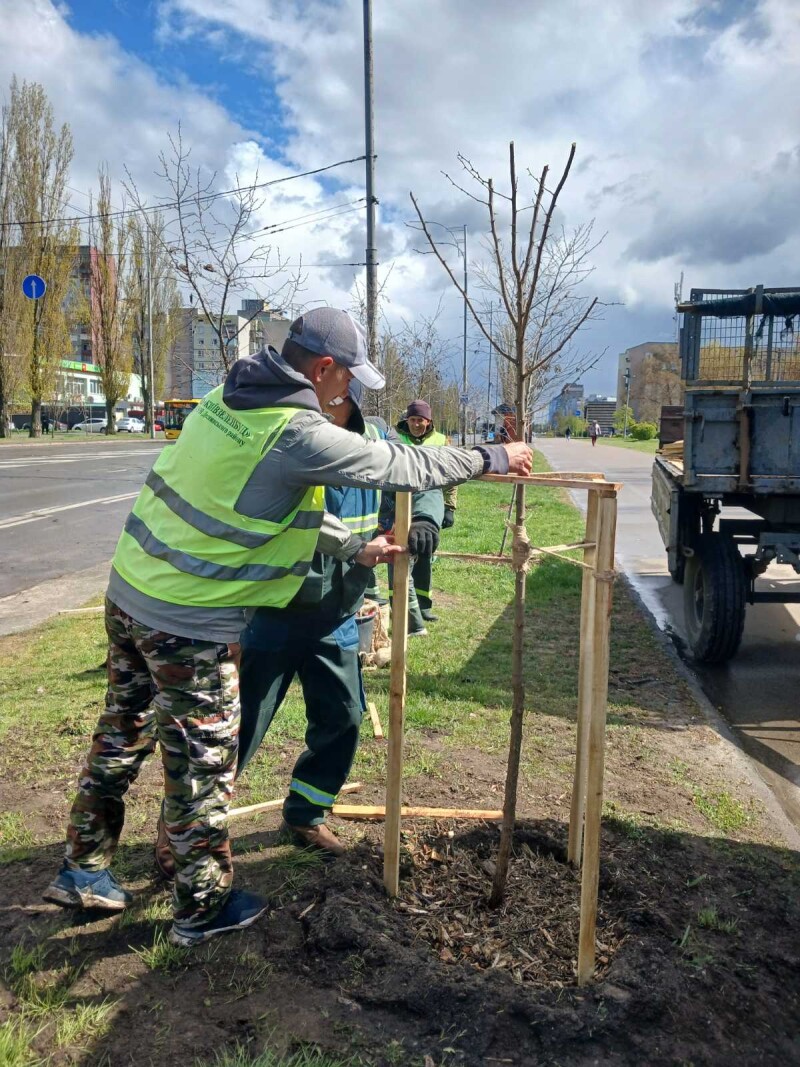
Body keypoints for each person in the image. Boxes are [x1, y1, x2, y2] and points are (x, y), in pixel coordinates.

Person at [44, 307, 532, 949]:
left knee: (122, 732)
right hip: (188, 619)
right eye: (348, 377)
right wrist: (494, 455)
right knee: (204, 761)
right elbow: (402, 468)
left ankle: (83, 867)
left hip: (131, 591)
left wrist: (350, 547)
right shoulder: (293, 429)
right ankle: (202, 908)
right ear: (323, 368)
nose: (349, 391)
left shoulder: (229, 398)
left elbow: (272, 506)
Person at [234, 379, 380, 856]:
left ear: (350, 401)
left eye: (334, 399)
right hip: (275, 609)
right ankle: (188, 824)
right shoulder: (287, 441)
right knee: (240, 721)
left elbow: (411, 478)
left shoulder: (372, 445)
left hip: (337, 612)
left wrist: (423, 517)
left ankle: (306, 814)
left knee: (344, 717)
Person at [387, 400, 454, 627]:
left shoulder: (441, 440)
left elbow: (452, 478)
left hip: (428, 504)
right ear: (407, 420)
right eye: (412, 420)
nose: (416, 424)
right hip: (399, 502)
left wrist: (450, 507)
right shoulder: (395, 437)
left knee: (424, 549)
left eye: (420, 420)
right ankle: (399, 603)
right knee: (400, 553)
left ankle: (423, 604)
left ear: (429, 421)